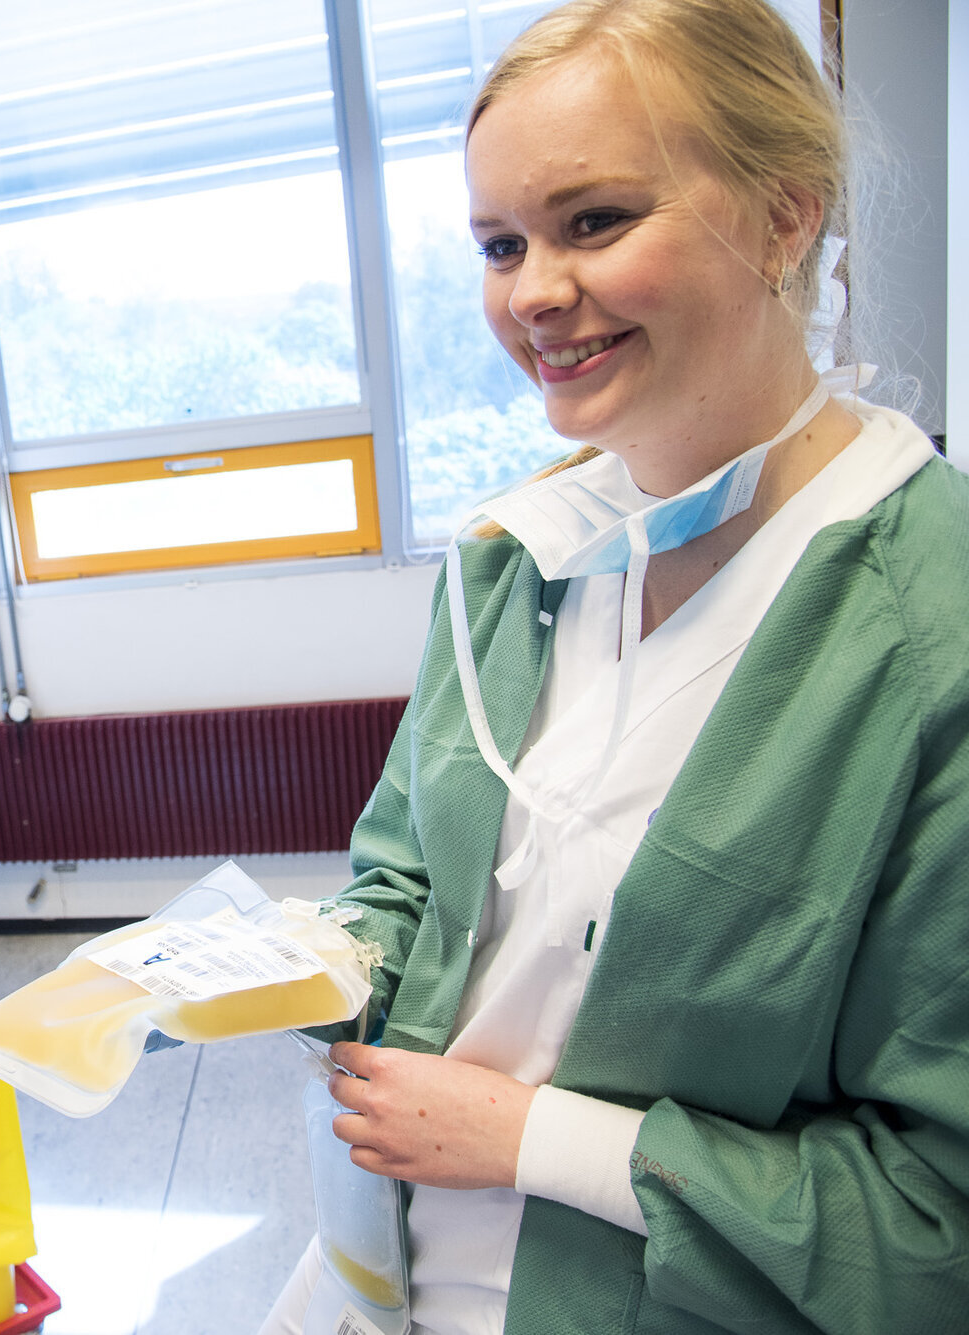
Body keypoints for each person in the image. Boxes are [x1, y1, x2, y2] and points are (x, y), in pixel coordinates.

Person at [257, 1, 969, 1331]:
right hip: (376, 1270)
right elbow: (413, 871)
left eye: (594, 222)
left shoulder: (934, 632)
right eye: (499, 243)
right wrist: (295, 960)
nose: (531, 291)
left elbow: (937, 1218)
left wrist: (535, 1137)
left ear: (784, 214)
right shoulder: (518, 560)